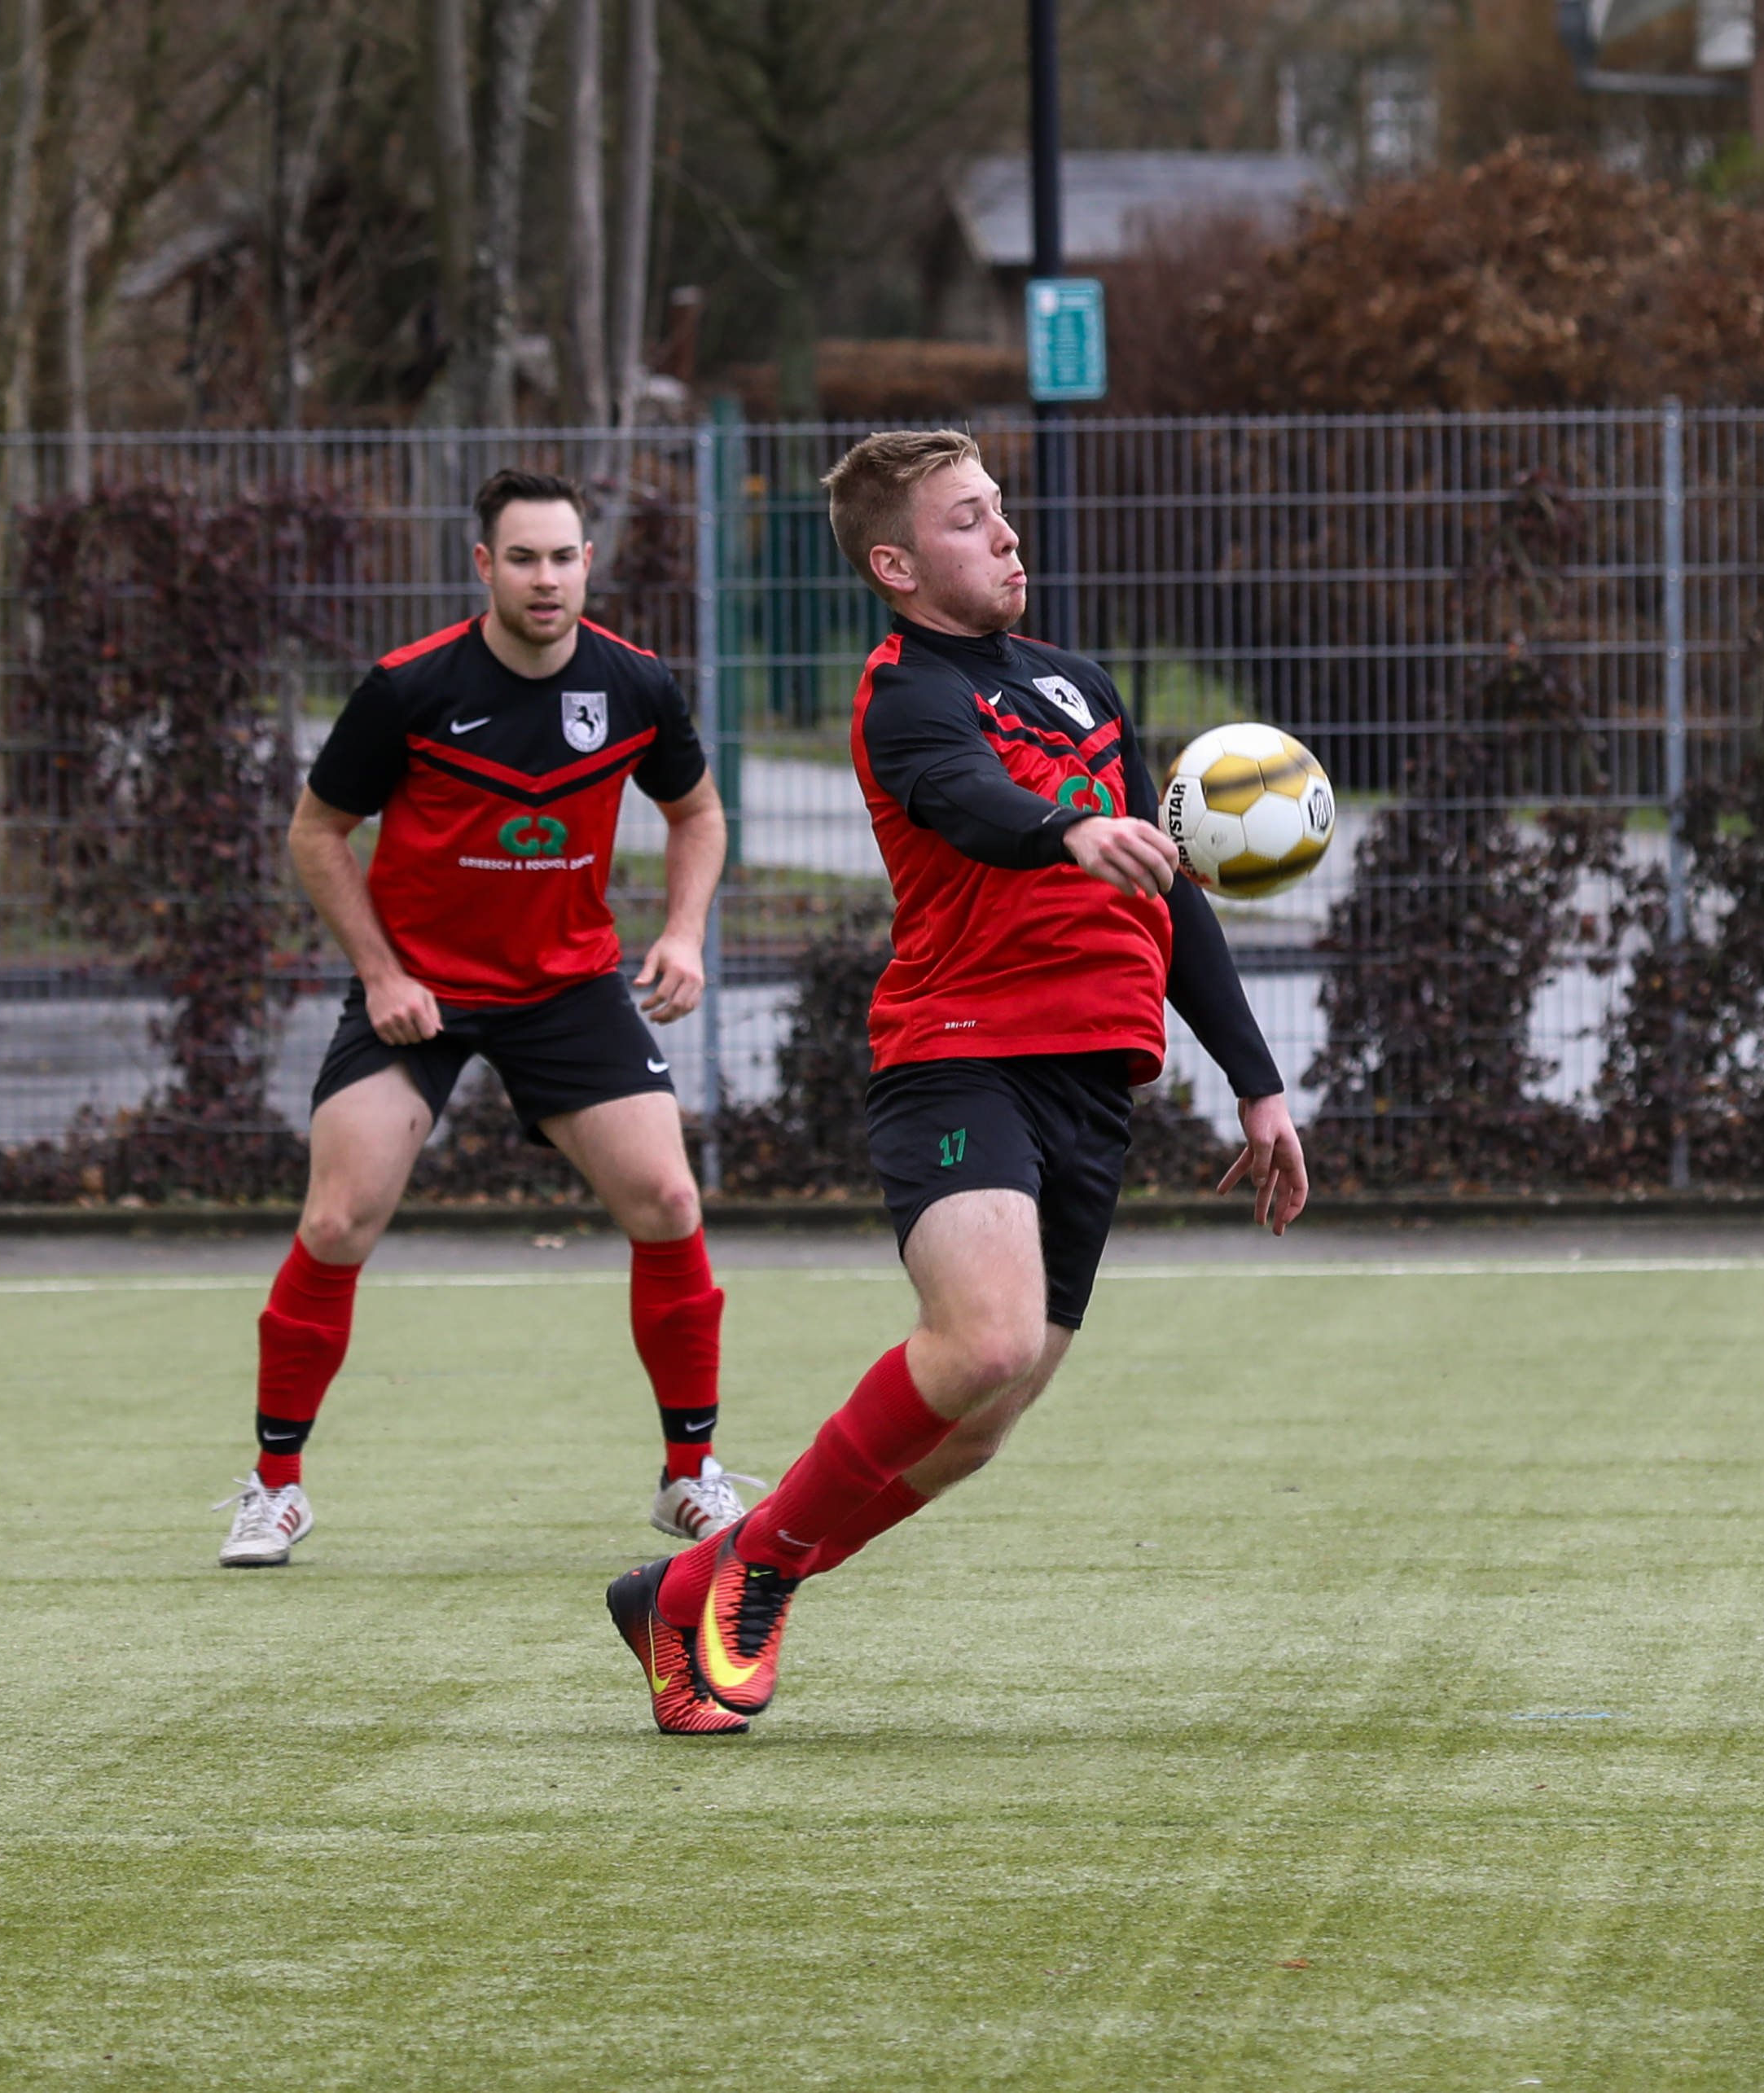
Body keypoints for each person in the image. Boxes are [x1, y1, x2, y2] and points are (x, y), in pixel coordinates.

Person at [607, 428, 1305, 1737]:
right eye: (970, 519)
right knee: (983, 1339)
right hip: (960, 1054)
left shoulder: (1080, 685)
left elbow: (1175, 900)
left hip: (1093, 1088)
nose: (1006, 534)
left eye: (1000, 509)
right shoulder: (903, 694)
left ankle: (686, 1590)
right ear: (897, 564)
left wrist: (1256, 1084)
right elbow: (966, 798)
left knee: (978, 1427)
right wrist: (1068, 826)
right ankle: (762, 1569)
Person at [221, 468, 736, 1569]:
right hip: (422, 991)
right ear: (484, 567)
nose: (545, 579)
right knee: (338, 1219)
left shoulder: (636, 684)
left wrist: (685, 933)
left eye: (563, 557)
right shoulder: (408, 688)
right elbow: (316, 832)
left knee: (667, 1199)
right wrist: (380, 974)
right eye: (523, 558)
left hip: (568, 987)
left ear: (588, 564)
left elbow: (695, 813)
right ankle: (274, 1488)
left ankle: (689, 1474)